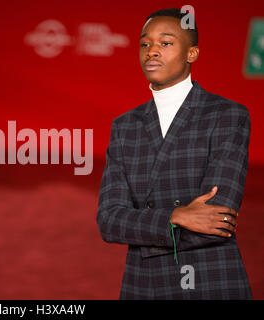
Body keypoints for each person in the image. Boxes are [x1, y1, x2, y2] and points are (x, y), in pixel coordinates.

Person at [96, 8, 252, 299]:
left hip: (211, 281)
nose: (152, 50)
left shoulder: (228, 115)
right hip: (143, 285)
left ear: (192, 53)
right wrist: (176, 216)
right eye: (145, 44)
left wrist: (142, 227)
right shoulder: (124, 126)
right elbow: (109, 221)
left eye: (165, 43)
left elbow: (215, 223)